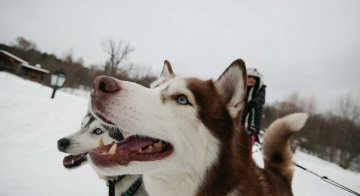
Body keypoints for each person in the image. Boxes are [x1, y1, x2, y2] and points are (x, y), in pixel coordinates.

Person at [241, 68, 266, 145]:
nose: (251, 79)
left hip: (252, 126)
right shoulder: (241, 90)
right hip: (239, 124)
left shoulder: (260, 90)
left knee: (247, 147)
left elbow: (261, 99)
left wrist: (253, 103)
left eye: (254, 78)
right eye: (249, 77)